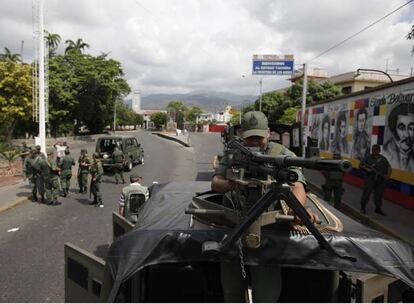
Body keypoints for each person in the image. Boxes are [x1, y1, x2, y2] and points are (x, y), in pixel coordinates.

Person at [211, 111, 318, 303]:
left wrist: (296, 211)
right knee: (232, 292)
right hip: (233, 228)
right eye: (249, 137)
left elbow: (297, 185)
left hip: (268, 230)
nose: (253, 142)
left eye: (258, 137)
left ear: (268, 133)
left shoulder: (282, 155)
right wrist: (234, 182)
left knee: (266, 294)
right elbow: (216, 182)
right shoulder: (233, 152)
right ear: (241, 133)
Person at [359, 144, 392, 216]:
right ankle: (363, 207)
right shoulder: (367, 157)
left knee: (379, 195)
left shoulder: (383, 159)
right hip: (370, 179)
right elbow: (361, 165)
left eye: (376, 150)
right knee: (366, 194)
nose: (374, 151)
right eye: (373, 150)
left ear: (379, 150)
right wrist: (367, 169)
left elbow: (389, 167)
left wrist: (388, 175)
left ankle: (378, 209)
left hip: (380, 180)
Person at [382, 103, 414, 171]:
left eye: (411, 128)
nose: (407, 135)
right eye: (402, 128)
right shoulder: (385, 152)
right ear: (394, 130)